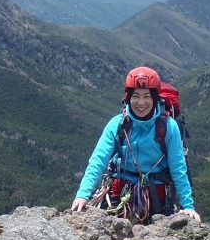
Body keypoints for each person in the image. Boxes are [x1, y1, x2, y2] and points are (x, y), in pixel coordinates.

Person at [71, 66, 201, 223]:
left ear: (155, 98)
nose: (141, 102)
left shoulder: (168, 126)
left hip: (155, 199)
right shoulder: (117, 125)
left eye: (147, 96)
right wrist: (83, 195)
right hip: (118, 195)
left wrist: (188, 206)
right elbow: (98, 161)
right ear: (128, 98)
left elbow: (178, 168)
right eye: (136, 96)